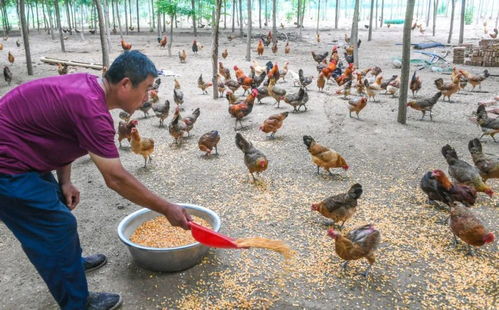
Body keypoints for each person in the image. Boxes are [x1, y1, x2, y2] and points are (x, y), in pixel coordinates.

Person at [0, 50, 192, 310]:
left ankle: (71, 263)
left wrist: (65, 181)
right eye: (146, 89)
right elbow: (116, 179)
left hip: (20, 152)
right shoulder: (92, 111)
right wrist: (167, 208)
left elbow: (62, 135)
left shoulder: (88, 89)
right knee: (55, 228)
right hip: (8, 166)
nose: (148, 97)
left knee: (58, 207)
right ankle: (78, 304)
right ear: (125, 84)